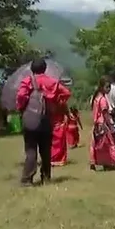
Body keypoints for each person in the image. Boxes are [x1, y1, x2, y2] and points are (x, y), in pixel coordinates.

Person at [15, 58, 71, 186]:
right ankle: (46, 177)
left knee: (30, 149)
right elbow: (66, 93)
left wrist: (21, 107)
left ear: (32, 69)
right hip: (46, 118)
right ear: (45, 69)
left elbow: (21, 96)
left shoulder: (28, 81)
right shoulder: (52, 82)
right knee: (46, 150)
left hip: (30, 119)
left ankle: (27, 178)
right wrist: (56, 103)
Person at [89, 77, 115, 171]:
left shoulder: (96, 98)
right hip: (104, 126)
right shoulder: (103, 100)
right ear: (101, 87)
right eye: (107, 87)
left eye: (109, 87)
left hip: (97, 125)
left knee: (98, 146)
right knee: (111, 145)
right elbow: (106, 115)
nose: (109, 89)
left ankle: (99, 163)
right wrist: (111, 126)